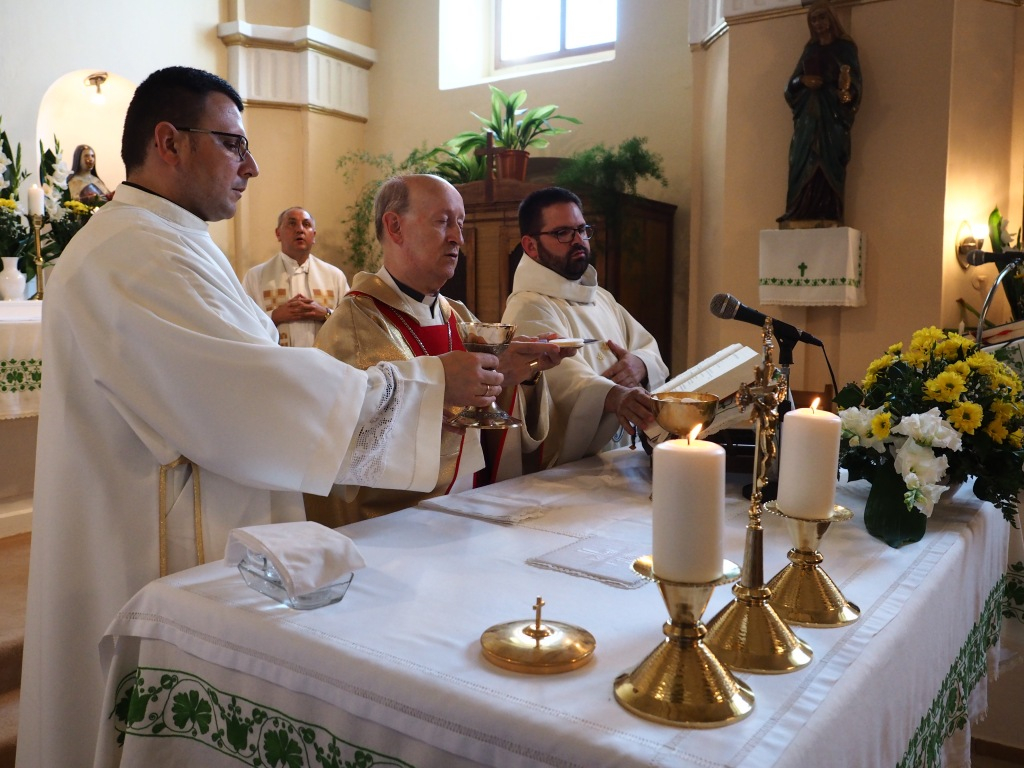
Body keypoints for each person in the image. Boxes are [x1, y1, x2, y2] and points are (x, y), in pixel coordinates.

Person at [16, 66, 503, 768]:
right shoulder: (132, 251)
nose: (251, 167)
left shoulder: (171, 241)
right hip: (144, 551)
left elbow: (251, 375)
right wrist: (423, 384)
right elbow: (244, 394)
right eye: (233, 144)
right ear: (169, 142)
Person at [313, 173, 570, 523]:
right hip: (403, 528)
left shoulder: (460, 316)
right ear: (395, 227)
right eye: (443, 221)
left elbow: (492, 430)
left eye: (460, 224)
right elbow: (348, 448)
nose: (458, 238)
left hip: (475, 514)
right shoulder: (354, 324)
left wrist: (519, 378)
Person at [502, 186, 669, 467]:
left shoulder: (601, 298)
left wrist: (639, 364)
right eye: (563, 233)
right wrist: (614, 396)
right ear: (531, 246)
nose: (579, 240)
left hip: (620, 458)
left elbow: (647, 346)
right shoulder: (529, 305)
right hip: (568, 470)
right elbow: (562, 381)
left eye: (582, 230)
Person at [776, 0, 861, 225]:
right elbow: (790, 86)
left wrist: (846, 94)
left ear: (831, 19)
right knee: (800, 158)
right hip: (807, 116)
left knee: (829, 160)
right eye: (813, 19)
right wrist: (803, 80)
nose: (818, 23)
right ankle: (798, 210)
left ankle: (829, 212)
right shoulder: (810, 49)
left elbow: (854, 84)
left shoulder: (845, 48)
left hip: (831, 116)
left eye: (822, 17)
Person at [242, 206, 349, 347]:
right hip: (277, 359)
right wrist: (274, 316)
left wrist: (325, 313)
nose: (300, 229)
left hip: (323, 358)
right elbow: (243, 323)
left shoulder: (334, 276)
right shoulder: (256, 276)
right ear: (278, 234)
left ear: (314, 235)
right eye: (292, 223)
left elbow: (351, 322)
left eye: (306, 224)